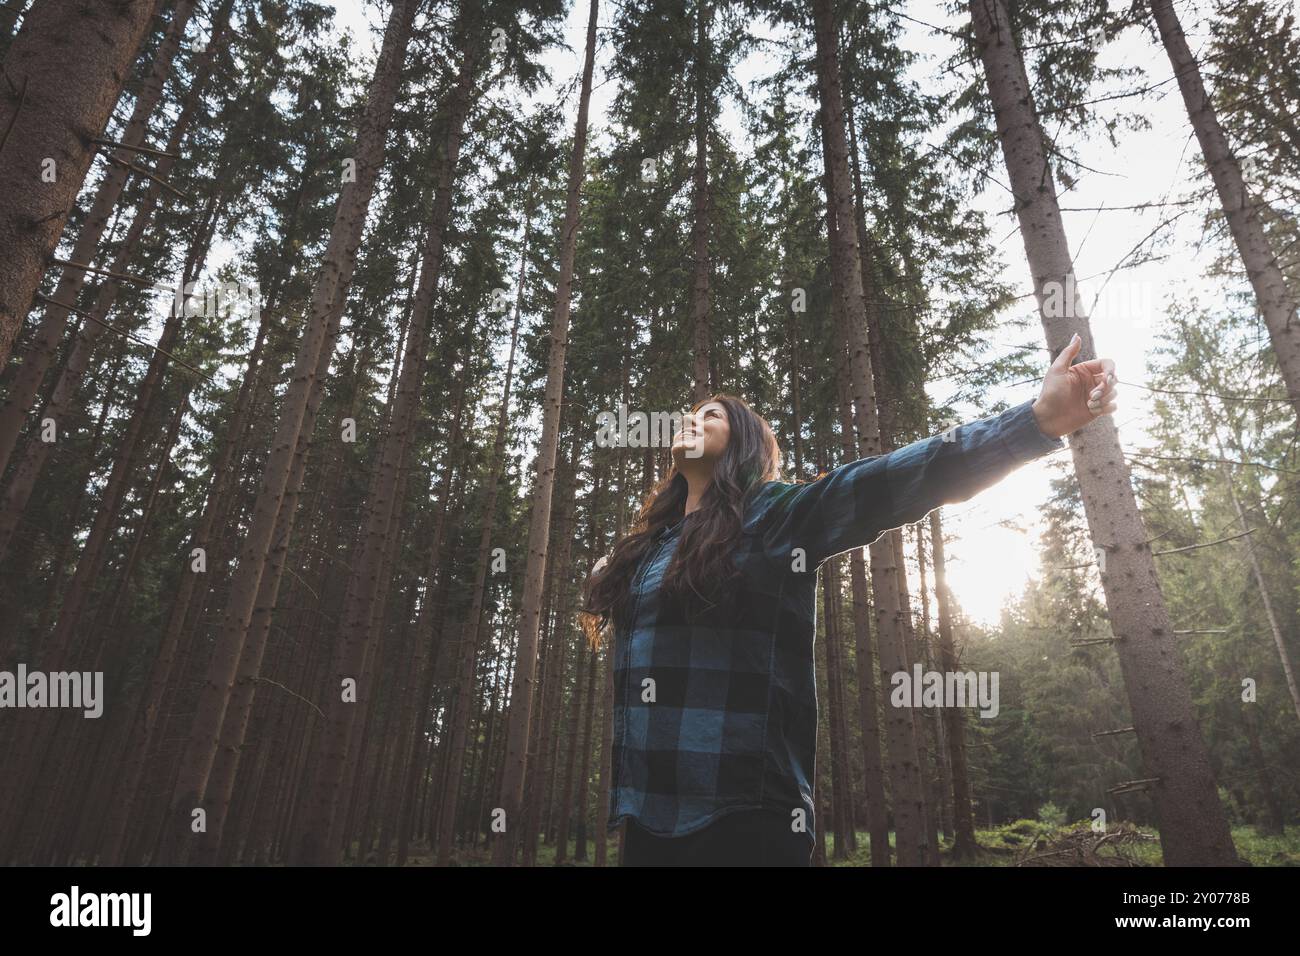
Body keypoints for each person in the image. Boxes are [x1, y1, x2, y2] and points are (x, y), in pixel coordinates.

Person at [578, 333, 1117, 866]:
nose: (693, 419)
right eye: (691, 413)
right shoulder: (651, 548)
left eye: (713, 415)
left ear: (744, 444)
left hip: (742, 815)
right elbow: (608, 599)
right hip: (646, 813)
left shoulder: (772, 516)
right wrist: (613, 570)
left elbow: (892, 479)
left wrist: (1035, 422)